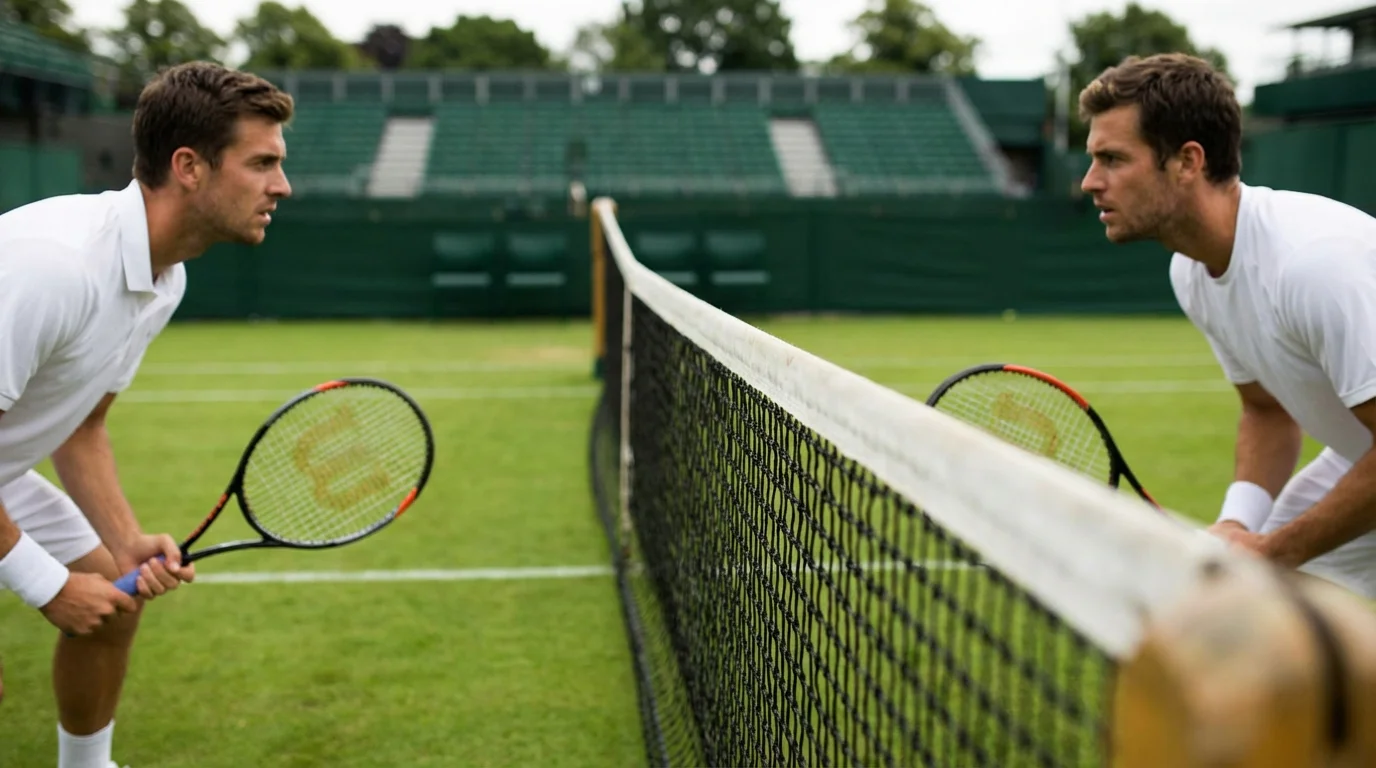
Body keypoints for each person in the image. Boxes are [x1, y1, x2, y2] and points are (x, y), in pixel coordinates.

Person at [0, 61, 293, 767]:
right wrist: (46, 584)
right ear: (189, 166)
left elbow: (83, 421)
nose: (281, 186)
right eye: (262, 164)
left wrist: (123, 540)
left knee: (112, 606)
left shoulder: (167, 278)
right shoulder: (53, 266)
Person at [1078, 52, 1376, 598]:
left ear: (1187, 161)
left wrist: (1278, 548)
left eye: (1113, 159)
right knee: (1271, 618)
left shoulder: (1313, 263)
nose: (1089, 182)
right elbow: (1266, 409)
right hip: (1361, 458)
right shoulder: (1190, 270)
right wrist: (1239, 525)